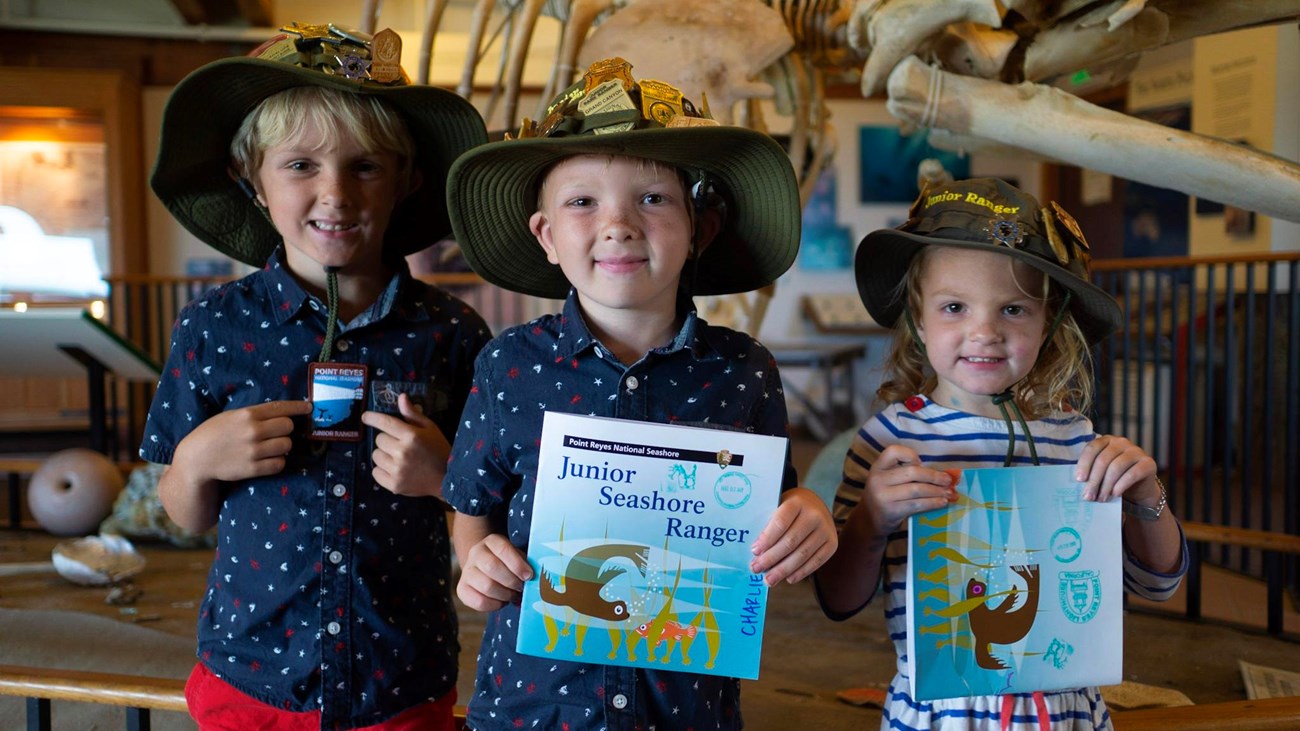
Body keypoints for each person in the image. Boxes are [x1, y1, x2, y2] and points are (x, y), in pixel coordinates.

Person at [440, 58, 838, 730]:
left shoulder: (744, 371)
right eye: (582, 201)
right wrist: (473, 558)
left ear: (698, 230)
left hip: (684, 711)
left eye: (652, 198)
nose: (619, 223)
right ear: (546, 235)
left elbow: (771, 506)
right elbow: (471, 508)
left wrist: (805, 510)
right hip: (532, 708)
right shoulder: (508, 365)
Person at [141, 23, 491, 731]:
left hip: (401, 678)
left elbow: (490, 512)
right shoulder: (212, 327)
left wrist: (444, 477)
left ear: (407, 181)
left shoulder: (454, 332)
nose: (335, 193)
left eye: (365, 167)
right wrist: (196, 459)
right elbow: (181, 512)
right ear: (253, 181)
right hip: (251, 678)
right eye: (300, 165)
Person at [814, 177, 1187, 729]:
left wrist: (1145, 494)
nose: (984, 332)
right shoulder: (888, 444)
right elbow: (838, 600)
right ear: (919, 319)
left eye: (1013, 309)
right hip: (939, 716)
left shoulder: (1076, 440)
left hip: (1067, 716)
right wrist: (871, 518)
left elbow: (1159, 583)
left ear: (1048, 321)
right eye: (955, 307)